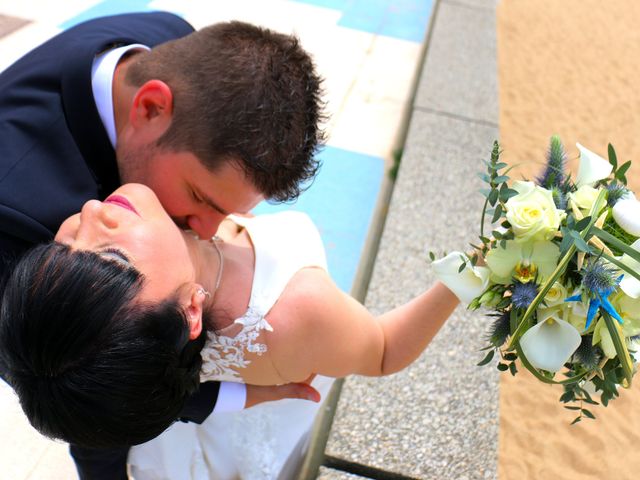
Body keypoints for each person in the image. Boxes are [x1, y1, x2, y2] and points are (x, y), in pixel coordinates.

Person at [0, 11, 324, 478]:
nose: (209, 232)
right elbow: (87, 393)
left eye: (229, 211)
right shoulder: (13, 222)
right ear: (149, 108)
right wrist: (220, 398)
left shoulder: (168, 37)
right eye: (200, 198)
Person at [0, 183, 459, 478]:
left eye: (63, 246)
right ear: (189, 312)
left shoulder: (156, 249)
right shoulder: (298, 313)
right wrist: (469, 275)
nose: (91, 211)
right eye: (114, 259)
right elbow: (382, 353)